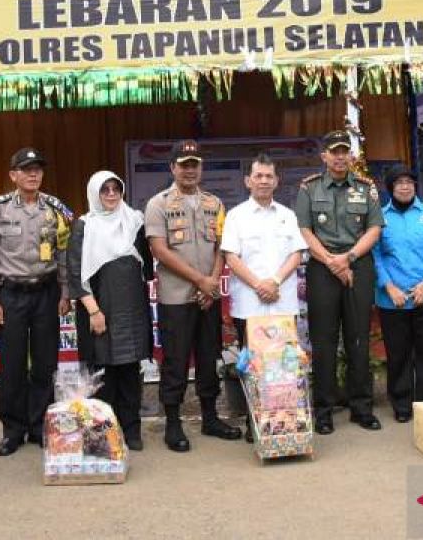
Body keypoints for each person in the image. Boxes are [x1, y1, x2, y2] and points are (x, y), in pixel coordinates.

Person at [144, 140, 241, 453]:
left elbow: (221, 247)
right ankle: (173, 423)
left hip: (207, 297)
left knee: (208, 358)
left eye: (194, 164)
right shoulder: (158, 204)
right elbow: (159, 249)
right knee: (175, 361)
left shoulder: (215, 203)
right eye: (183, 164)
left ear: (201, 168)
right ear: (172, 168)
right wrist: (201, 280)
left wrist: (212, 281)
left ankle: (211, 418)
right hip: (176, 298)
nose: (189, 170)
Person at [0, 147, 72, 456]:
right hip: (12, 295)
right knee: (12, 365)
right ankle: (12, 429)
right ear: (13, 175)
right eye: (26, 169)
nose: (33, 174)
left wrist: (65, 292)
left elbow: (62, 254)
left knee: (46, 364)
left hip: (46, 293)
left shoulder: (54, 209)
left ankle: (39, 426)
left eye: (37, 169)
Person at [294, 130, 384, 434]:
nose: (340, 156)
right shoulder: (309, 188)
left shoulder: (366, 187)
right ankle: (324, 410)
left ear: (351, 155)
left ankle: (361, 408)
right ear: (324, 157)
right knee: (324, 342)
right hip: (322, 267)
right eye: (334, 151)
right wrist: (332, 262)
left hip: (358, 265)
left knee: (358, 339)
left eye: (344, 151)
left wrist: (348, 258)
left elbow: (374, 229)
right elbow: (304, 230)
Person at [220, 154, 308, 440]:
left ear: (277, 181)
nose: (263, 181)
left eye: (269, 176)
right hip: (250, 306)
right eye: (258, 176)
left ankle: (284, 422)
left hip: (283, 305)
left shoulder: (287, 214)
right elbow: (231, 257)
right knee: (253, 365)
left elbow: (297, 253)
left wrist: (274, 281)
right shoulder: (235, 216)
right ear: (248, 181)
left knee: (284, 365)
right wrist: (260, 284)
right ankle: (254, 422)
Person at [67, 171, 153, 452]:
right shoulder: (84, 225)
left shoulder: (135, 221)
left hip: (132, 308)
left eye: (116, 189)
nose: (112, 195)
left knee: (129, 370)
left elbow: (147, 268)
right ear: (95, 193)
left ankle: (131, 429)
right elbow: (75, 272)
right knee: (103, 374)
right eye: (105, 190)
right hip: (99, 310)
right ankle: (102, 433)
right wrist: (93, 311)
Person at [371, 164, 423, 421]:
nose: (405, 186)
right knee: (399, 354)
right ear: (390, 188)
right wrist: (389, 286)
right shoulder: (380, 218)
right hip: (393, 298)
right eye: (399, 182)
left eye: (409, 182)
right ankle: (402, 405)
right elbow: (375, 254)